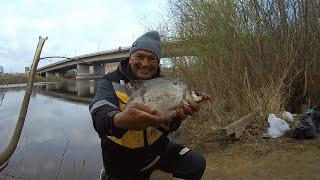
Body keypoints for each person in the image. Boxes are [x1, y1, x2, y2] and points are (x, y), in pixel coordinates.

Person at [89, 31, 206, 180]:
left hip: (156, 154)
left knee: (195, 163)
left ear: (158, 62)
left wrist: (176, 118)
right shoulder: (109, 82)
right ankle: (108, 176)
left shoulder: (168, 85)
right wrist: (120, 120)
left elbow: (169, 127)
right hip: (120, 162)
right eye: (139, 57)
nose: (145, 63)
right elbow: (99, 116)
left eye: (151, 58)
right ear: (130, 58)